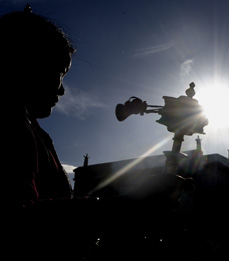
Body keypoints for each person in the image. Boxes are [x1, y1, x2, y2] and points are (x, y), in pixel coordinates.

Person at [0, 6, 195, 260]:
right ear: (27, 64)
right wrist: (124, 208)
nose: (61, 91)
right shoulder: (9, 124)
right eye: (59, 74)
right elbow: (17, 224)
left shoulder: (33, 131)